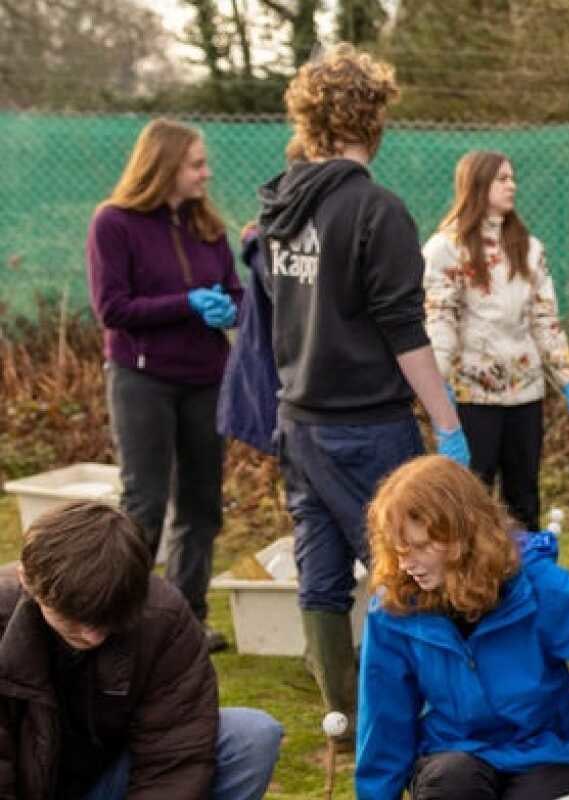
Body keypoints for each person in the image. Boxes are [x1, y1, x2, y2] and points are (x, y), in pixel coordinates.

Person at [256, 43, 471, 741]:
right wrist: (447, 422)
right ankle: (425, 718)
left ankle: (345, 721)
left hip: (298, 422)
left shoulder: (279, 208)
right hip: (367, 426)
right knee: (410, 566)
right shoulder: (378, 211)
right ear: (373, 118)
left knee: (320, 571)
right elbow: (405, 331)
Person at [354, 455, 569, 800]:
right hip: (454, 752)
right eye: (399, 550)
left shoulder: (543, 588)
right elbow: (383, 719)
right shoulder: (393, 607)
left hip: (548, 752)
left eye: (421, 547)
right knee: (452, 782)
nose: (407, 564)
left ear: (463, 533)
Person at [85, 118, 243, 653]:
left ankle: (184, 618)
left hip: (205, 379)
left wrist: (230, 308)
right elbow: (111, 308)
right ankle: (120, 618)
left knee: (201, 505)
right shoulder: (114, 223)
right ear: (165, 166)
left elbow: (236, 292)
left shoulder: (208, 227)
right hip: (141, 378)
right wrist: (186, 304)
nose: (206, 173)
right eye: (196, 164)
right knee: (145, 503)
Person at [0, 501, 282, 799]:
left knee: (251, 736)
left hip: (104, 781)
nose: (93, 636)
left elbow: (174, 755)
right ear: (26, 579)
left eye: (107, 619)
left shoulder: (163, 617)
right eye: (73, 618)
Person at [423, 150, 569, 533]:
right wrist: (437, 383)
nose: (512, 186)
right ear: (476, 185)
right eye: (502, 179)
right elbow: (440, 320)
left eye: (512, 178)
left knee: (524, 500)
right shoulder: (445, 249)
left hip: (525, 395)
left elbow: (545, 320)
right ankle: (470, 571)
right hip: (472, 396)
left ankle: (526, 569)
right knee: (471, 499)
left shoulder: (529, 249)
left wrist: (567, 379)